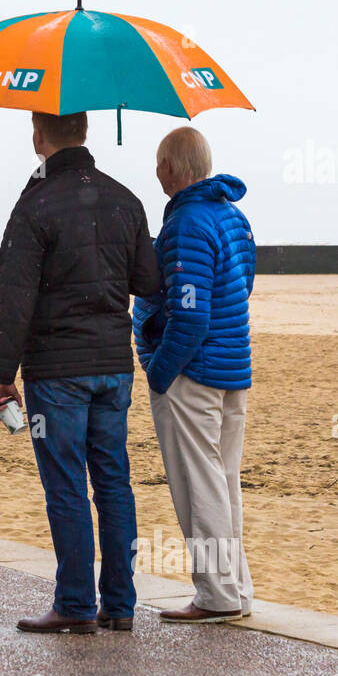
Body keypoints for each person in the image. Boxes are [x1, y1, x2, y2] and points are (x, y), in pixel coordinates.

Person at [0, 112, 161, 633]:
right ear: (84, 133)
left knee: (66, 485)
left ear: (39, 136)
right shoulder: (125, 200)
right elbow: (147, 281)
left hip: (57, 370)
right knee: (113, 483)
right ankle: (120, 605)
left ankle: (76, 605)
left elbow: (14, 298)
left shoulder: (34, 205)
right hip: (112, 367)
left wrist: (1, 376)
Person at [133, 127, 256, 623]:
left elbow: (190, 315)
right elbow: (242, 285)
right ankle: (236, 589)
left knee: (199, 485)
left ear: (172, 167)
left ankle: (216, 595)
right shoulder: (234, 215)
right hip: (232, 367)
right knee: (224, 480)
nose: (156, 172)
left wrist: (159, 372)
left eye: (159, 163)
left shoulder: (185, 224)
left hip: (194, 372)